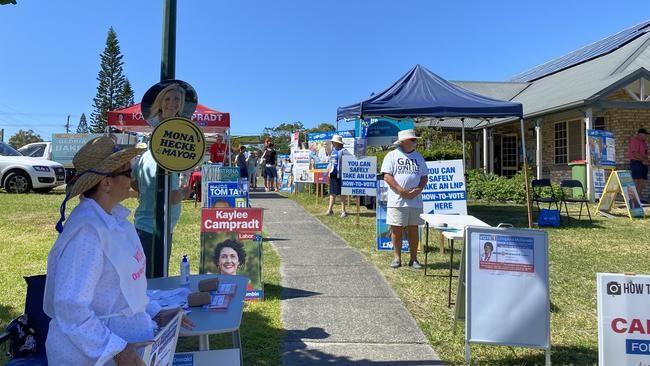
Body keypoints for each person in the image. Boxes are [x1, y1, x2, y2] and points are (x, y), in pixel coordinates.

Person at [44, 136, 193, 365]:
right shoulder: (88, 233)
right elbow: (70, 307)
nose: (132, 178)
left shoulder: (115, 221)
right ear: (106, 183)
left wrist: (155, 311)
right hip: (89, 358)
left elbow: (123, 289)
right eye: (127, 172)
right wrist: (116, 349)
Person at [132, 149, 191, 278]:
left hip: (143, 224)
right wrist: (185, 193)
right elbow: (173, 197)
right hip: (158, 229)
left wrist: (148, 191)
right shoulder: (167, 159)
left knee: (143, 274)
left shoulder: (144, 156)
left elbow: (133, 182)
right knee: (157, 278)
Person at [380, 129, 428, 269]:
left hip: (415, 200)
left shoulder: (419, 157)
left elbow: (424, 177)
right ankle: (397, 258)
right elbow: (387, 176)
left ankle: (414, 259)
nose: (415, 142)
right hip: (397, 199)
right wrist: (401, 191)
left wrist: (418, 189)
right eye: (413, 140)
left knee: (414, 229)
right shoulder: (392, 155)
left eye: (415, 139)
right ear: (403, 142)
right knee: (396, 230)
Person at [325, 135, 350, 217]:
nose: (333, 143)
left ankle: (343, 211)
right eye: (332, 142)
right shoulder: (333, 151)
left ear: (338, 143)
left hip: (341, 175)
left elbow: (350, 159)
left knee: (342, 193)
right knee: (332, 193)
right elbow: (331, 161)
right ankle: (330, 209)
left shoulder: (343, 151)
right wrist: (328, 167)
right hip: (332, 174)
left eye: (334, 142)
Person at [628, 128, 648, 203]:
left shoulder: (643, 142)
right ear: (640, 134)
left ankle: (638, 197)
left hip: (643, 163)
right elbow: (635, 153)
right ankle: (632, 198)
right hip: (636, 163)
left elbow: (645, 153)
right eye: (645, 134)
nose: (646, 136)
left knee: (642, 180)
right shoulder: (634, 141)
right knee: (636, 180)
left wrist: (646, 160)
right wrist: (643, 160)